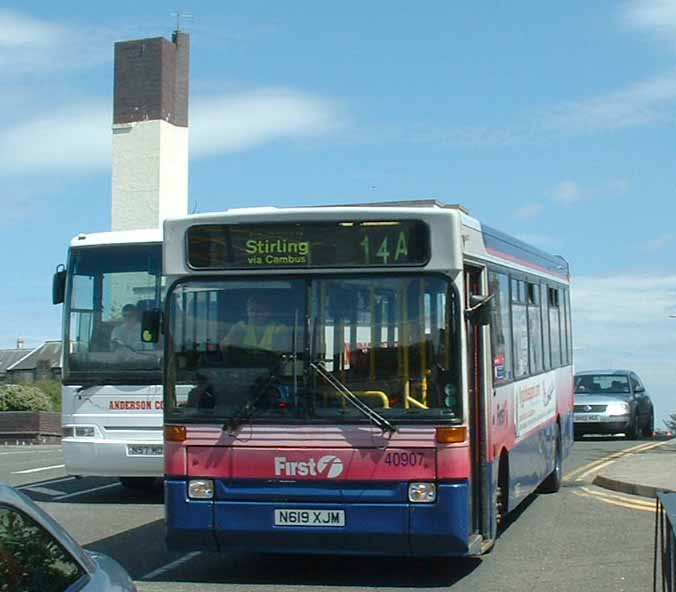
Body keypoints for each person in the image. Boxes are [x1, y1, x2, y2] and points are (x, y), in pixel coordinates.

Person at [220, 294, 290, 355]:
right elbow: (224, 347)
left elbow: (281, 354)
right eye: (251, 311)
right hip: (244, 367)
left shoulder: (279, 329)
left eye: (258, 311)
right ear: (247, 311)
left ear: (267, 313)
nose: (254, 314)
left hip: (271, 368)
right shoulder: (240, 327)